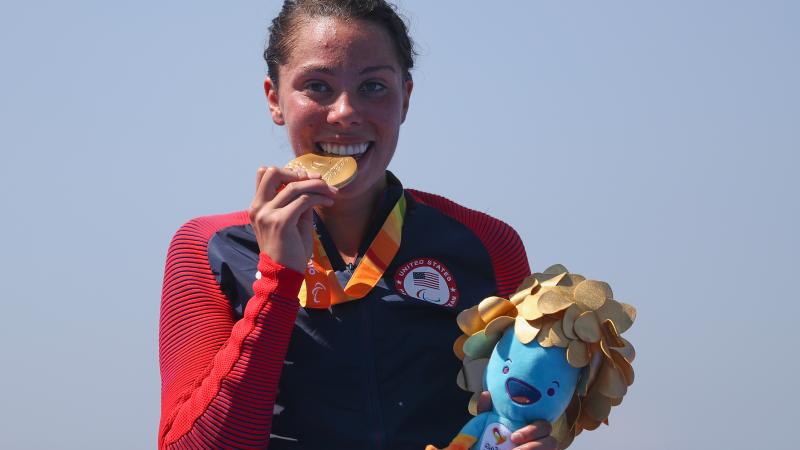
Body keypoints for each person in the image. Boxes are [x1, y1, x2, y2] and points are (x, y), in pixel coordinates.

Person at [158, 1, 557, 449]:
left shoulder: (487, 244)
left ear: (406, 97)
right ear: (274, 98)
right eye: (317, 86)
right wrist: (277, 279)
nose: (345, 111)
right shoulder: (209, 248)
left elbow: (519, 410)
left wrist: (535, 437)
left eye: (372, 86)